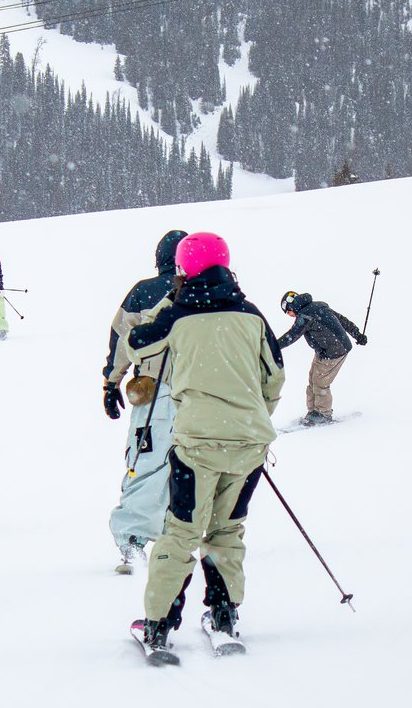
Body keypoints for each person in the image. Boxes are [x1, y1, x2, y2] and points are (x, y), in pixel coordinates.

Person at [124, 232, 285, 654]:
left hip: (196, 447)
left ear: (181, 270)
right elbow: (275, 376)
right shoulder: (251, 314)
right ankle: (224, 614)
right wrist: (253, 417)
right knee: (227, 530)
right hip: (249, 445)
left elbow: (136, 343)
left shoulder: (178, 314)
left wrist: (169, 302)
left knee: (180, 532)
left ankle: (158, 625)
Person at [101, 229, 187, 573]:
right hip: (198, 393)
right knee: (192, 465)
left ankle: (134, 539)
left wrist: (111, 382)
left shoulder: (143, 291)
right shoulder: (205, 292)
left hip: (156, 394)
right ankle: (187, 536)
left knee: (145, 461)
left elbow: (121, 339)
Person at [277, 291, 367, 426]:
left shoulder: (304, 316)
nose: (291, 316)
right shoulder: (319, 306)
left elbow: (292, 336)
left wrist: (273, 346)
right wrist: (357, 334)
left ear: (290, 308)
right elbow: (342, 320)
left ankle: (323, 414)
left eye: (288, 313)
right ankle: (314, 412)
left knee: (320, 382)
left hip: (335, 351)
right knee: (313, 379)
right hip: (324, 351)